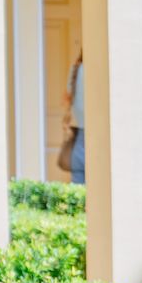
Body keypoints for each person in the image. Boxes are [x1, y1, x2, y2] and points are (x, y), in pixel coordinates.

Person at [64, 53, 86, 185]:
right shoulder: (98, 68)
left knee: (78, 181)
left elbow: (67, 97)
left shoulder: (76, 69)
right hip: (96, 131)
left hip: (79, 127)